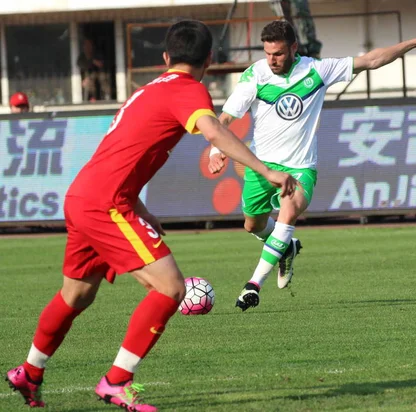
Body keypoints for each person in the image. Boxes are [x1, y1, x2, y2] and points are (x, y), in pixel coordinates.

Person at [5, 20, 297, 411]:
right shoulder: (188, 90)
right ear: (209, 60)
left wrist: (141, 208)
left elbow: (120, 154)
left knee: (76, 294)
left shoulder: (145, 91)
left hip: (83, 195)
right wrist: (267, 170)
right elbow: (213, 132)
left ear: (165, 57)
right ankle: (116, 381)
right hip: (106, 203)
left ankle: (30, 371)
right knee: (170, 288)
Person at [208, 20, 416, 311]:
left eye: (278, 53)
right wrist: (216, 148)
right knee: (252, 224)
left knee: (289, 210)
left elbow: (371, 60)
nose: (272, 60)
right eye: (268, 53)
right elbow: (227, 117)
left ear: (293, 47)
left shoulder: (317, 70)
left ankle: (253, 285)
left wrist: (414, 42)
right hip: (261, 165)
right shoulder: (256, 74)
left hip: (300, 167)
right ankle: (287, 248)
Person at [78, 37, 112, 102]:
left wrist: (93, 60)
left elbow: (101, 64)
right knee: (88, 83)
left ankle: (106, 98)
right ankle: (91, 98)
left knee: (103, 79)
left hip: (100, 74)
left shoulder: (97, 54)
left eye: (89, 45)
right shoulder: (82, 56)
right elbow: (81, 65)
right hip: (87, 77)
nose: (88, 47)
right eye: (86, 45)